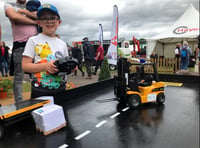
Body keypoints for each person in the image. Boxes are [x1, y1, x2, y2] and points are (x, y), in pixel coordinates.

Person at [22, 3, 69, 99]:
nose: (49, 21)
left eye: (52, 18)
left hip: (60, 88)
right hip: (41, 90)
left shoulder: (62, 44)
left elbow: (65, 66)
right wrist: (45, 66)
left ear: (59, 22)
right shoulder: (33, 40)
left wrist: (70, 68)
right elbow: (25, 66)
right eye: (44, 18)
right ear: (39, 22)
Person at [4, 0, 38, 103]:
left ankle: (36, 100)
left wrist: (21, 12)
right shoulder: (9, 4)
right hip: (20, 45)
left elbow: (41, 16)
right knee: (19, 77)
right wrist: (35, 21)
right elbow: (14, 17)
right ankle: (19, 103)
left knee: (37, 75)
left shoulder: (33, 4)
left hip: (36, 45)